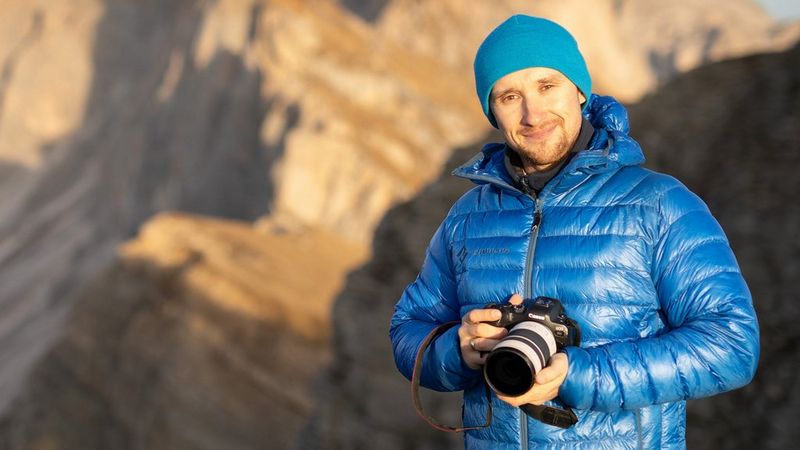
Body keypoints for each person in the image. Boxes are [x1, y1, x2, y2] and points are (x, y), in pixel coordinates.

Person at [389, 14, 759, 449]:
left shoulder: (659, 205)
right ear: (493, 112)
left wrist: (580, 374)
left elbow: (733, 345)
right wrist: (457, 349)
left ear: (579, 90)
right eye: (510, 96)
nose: (532, 113)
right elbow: (406, 329)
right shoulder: (468, 217)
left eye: (547, 86)